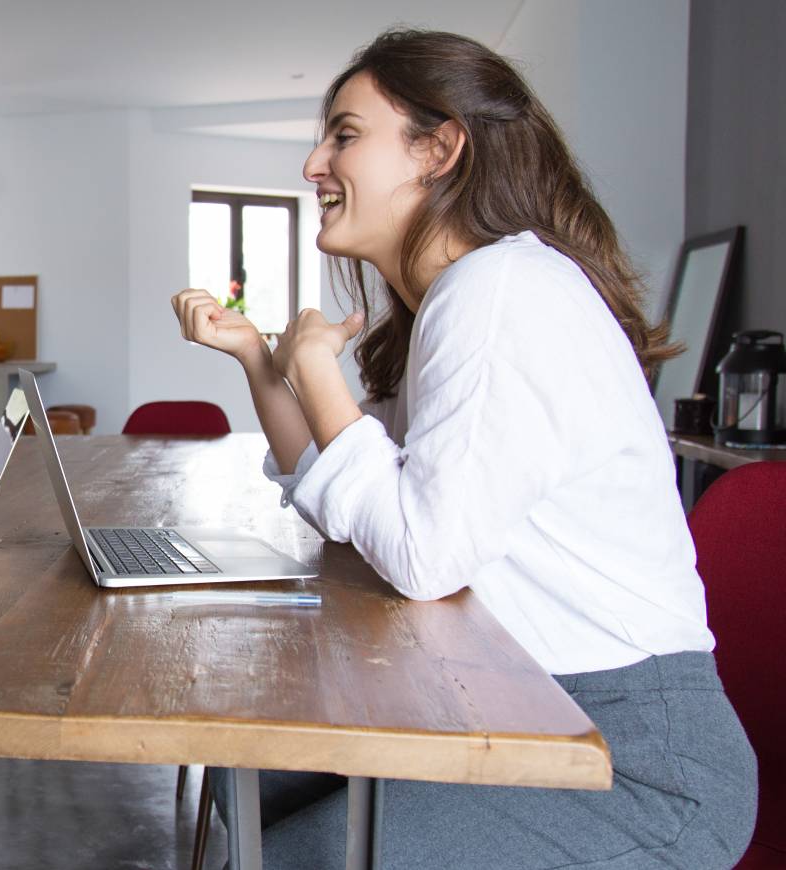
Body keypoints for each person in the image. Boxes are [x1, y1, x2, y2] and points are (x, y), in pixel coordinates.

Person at [172, 30, 756, 869]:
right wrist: (264, 365)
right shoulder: (462, 299)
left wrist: (314, 368)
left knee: (303, 854)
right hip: (505, 704)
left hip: (630, 762)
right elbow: (352, 510)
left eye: (344, 134)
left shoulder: (499, 292)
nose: (312, 163)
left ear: (439, 149)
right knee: (250, 778)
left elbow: (420, 555)